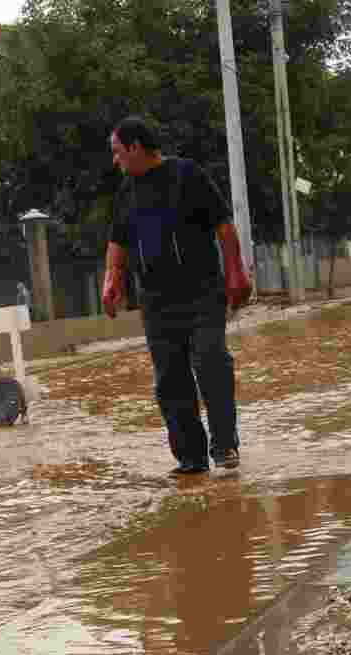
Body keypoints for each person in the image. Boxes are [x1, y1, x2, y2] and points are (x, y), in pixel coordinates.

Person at [102, 116, 240, 476]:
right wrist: (111, 279)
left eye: (117, 152)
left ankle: (224, 445)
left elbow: (223, 226)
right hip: (156, 301)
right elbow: (117, 241)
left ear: (135, 148)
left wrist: (237, 273)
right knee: (170, 380)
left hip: (202, 292)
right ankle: (191, 459)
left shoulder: (187, 175)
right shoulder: (126, 192)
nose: (114, 161)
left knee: (210, 362)